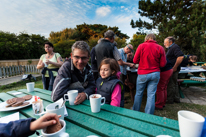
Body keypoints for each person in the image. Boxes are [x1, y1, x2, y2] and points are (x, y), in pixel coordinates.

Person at [132, 34, 167, 114]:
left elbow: (135, 61)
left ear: (146, 39)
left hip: (142, 73)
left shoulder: (141, 46)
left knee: (139, 93)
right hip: (155, 73)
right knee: (151, 95)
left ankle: (135, 111)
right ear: (154, 39)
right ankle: (149, 114)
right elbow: (162, 64)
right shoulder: (160, 47)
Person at [164, 36, 184, 104]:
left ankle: (170, 100)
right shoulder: (171, 48)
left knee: (171, 84)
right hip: (172, 69)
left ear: (171, 42)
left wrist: (175, 67)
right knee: (174, 84)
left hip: (173, 69)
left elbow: (181, 57)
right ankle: (176, 99)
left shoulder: (174, 47)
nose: (164, 44)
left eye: (165, 43)